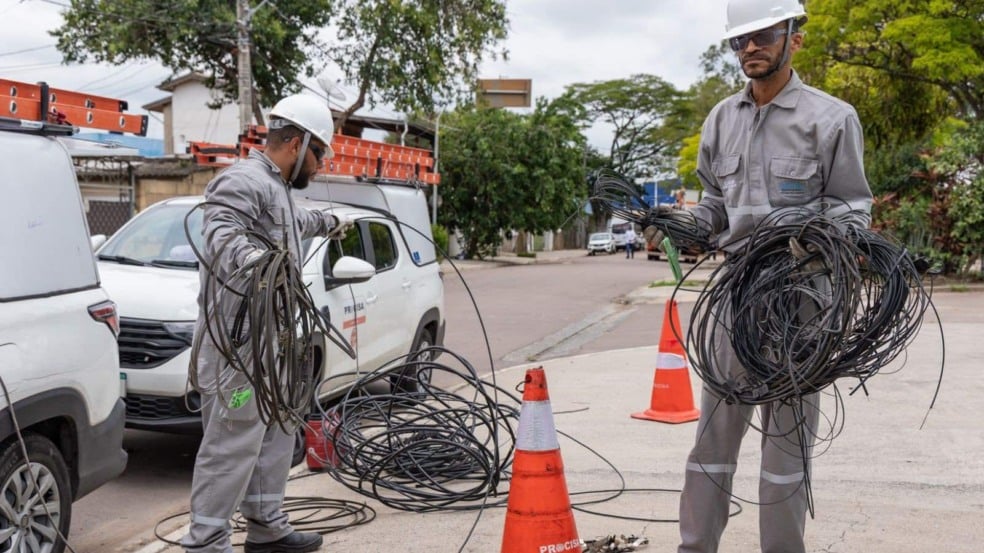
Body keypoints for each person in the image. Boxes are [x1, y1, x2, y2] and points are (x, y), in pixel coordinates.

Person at [664, 1, 874, 552]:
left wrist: (812, 236)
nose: (750, 48)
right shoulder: (720, 119)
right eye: (740, 41)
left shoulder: (831, 119)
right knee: (712, 442)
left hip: (802, 307)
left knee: (785, 451)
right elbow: (714, 204)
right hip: (735, 301)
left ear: (793, 39)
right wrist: (683, 226)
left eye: (763, 36)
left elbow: (854, 208)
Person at [182, 94, 352, 553]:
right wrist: (261, 262)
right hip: (239, 347)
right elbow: (222, 234)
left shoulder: (276, 187)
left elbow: (295, 221)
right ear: (295, 144)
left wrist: (330, 222)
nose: (319, 167)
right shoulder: (243, 180)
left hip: (273, 343)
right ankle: (205, 542)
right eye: (318, 155)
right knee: (232, 440)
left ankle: (266, 526)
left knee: (277, 428)